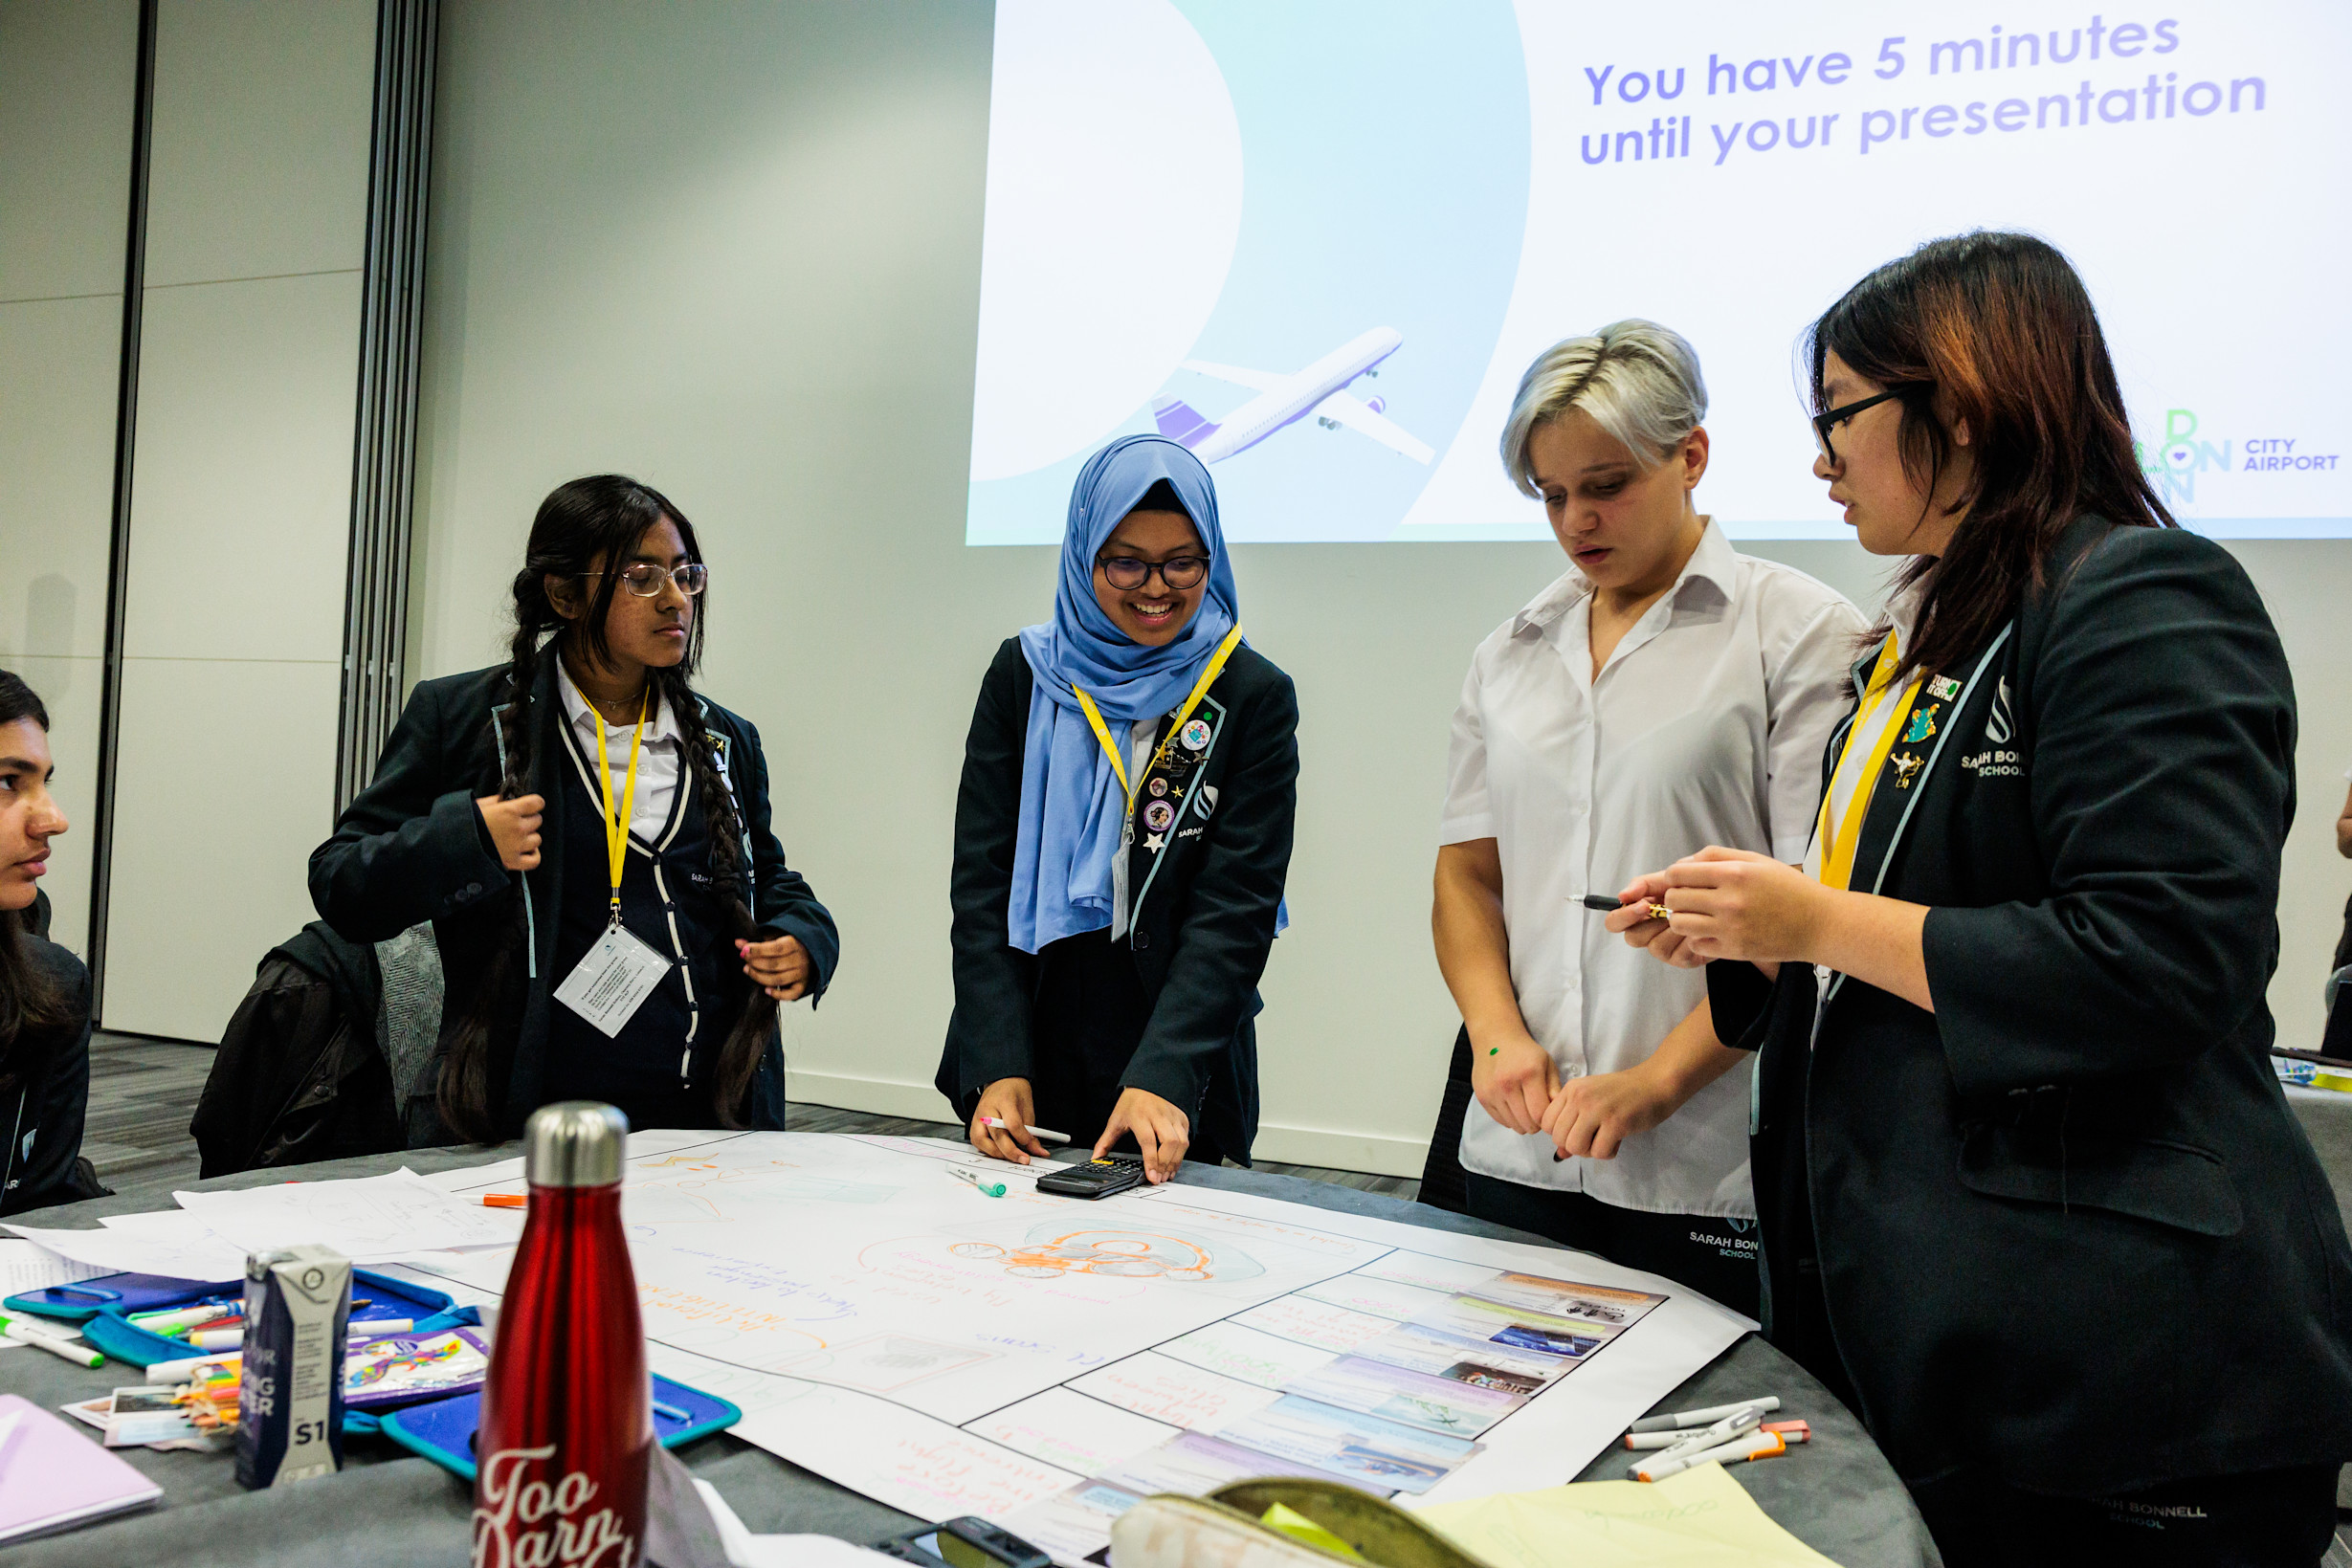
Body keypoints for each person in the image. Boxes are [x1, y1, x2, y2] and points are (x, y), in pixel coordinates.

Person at [1610, 232, 2352, 1565]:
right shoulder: (1934, 630)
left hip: (2116, 1361)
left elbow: (2164, 956)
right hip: (1937, 1330)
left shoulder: (2138, 593)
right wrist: (1749, 933)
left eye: (1838, 417)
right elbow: (1892, 925)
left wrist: (1813, 920)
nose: (1822, 460)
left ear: (1954, 405)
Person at [1431, 320, 1862, 1315]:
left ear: (1692, 457)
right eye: (1551, 495)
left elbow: (1812, 907)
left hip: (1706, 1160)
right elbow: (1468, 876)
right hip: (1523, 1144)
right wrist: (1495, 1037)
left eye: (1606, 484)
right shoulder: (1510, 652)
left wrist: (1657, 1082)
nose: (1577, 518)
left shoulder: (1798, 633)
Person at [312, 475, 837, 1140]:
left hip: (710, 1123)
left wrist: (808, 939)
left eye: (685, 574)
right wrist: (470, 837)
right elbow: (341, 880)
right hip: (526, 1125)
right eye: (642, 577)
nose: (675, 599)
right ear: (564, 594)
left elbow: (771, 877)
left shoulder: (729, 738)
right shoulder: (466, 719)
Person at [939, 435, 1298, 1183]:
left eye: (1183, 562)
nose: (1156, 587)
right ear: (1083, 553)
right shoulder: (1023, 675)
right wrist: (997, 1057)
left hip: (1176, 1067)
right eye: (1126, 561)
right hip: (1032, 1052)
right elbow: (982, 886)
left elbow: (1236, 909)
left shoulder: (1248, 694)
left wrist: (1166, 1069)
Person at [0, 670, 100, 1214]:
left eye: (45, 782)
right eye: (7, 782)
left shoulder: (51, 985)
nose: (53, 820)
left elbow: (40, 1206)